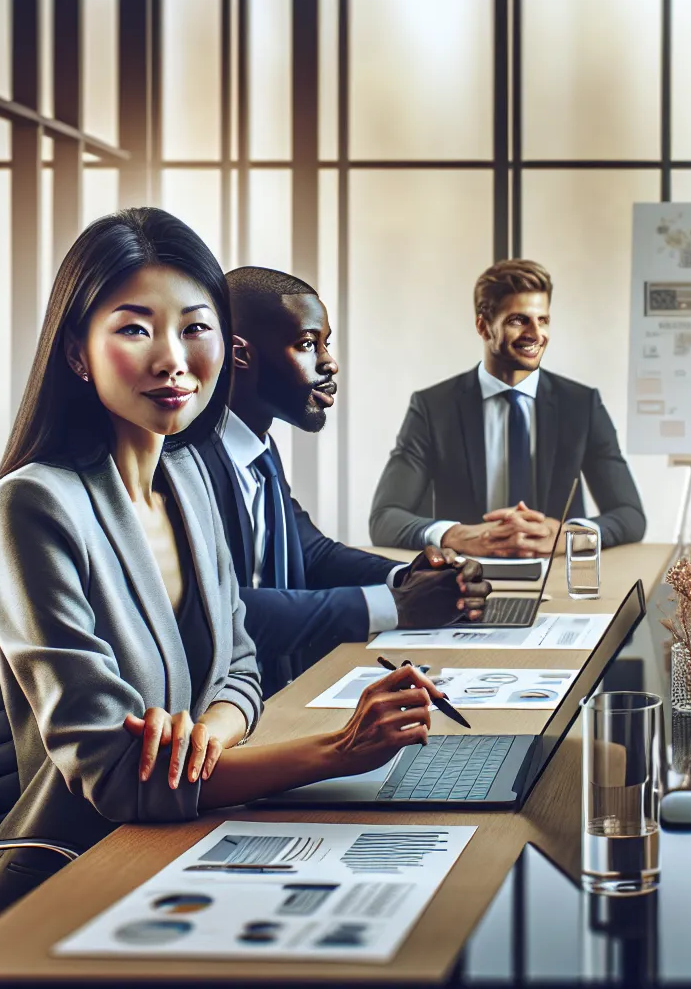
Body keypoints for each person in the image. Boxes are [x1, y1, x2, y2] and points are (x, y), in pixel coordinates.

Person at [0, 209, 449, 943]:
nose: (172, 359)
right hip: (74, 881)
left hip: (188, 841)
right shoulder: (32, 507)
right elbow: (121, 779)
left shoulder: (184, 475)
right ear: (78, 355)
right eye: (134, 328)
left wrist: (205, 732)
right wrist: (338, 751)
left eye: (194, 326)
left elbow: (240, 669)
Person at [199, 265, 490, 692]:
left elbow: (311, 554)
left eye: (325, 344)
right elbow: (226, 612)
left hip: (283, 697)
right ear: (241, 355)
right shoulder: (186, 462)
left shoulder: (259, 451)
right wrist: (395, 606)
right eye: (306, 344)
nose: (329, 363)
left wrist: (409, 577)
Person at [368, 259, 646, 556]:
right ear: (483, 326)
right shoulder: (434, 408)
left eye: (543, 320)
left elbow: (630, 515)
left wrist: (568, 536)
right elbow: (385, 518)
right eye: (518, 320)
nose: (536, 334)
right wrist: (455, 534)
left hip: (555, 577)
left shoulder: (581, 405)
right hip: (464, 581)